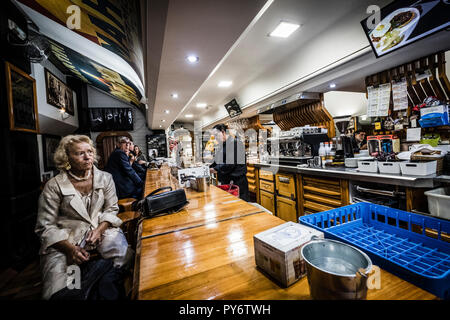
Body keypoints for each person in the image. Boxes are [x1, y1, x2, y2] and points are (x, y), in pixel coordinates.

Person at [36, 135, 132, 300]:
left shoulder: (105, 178)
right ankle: (89, 281)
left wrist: (100, 229)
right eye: (80, 153)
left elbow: (111, 208)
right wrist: (70, 249)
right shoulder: (54, 186)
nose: (87, 157)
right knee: (61, 291)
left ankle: (104, 284)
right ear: (67, 158)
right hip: (66, 239)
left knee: (124, 259)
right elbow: (46, 227)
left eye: (89, 152)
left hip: (100, 228)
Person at [209, 124, 249, 201]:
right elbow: (217, 161)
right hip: (227, 181)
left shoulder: (234, 143)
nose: (215, 138)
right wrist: (207, 168)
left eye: (216, 135)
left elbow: (229, 164)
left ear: (223, 132)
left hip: (237, 182)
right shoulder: (221, 145)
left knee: (240, 207)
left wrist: (214, 169)